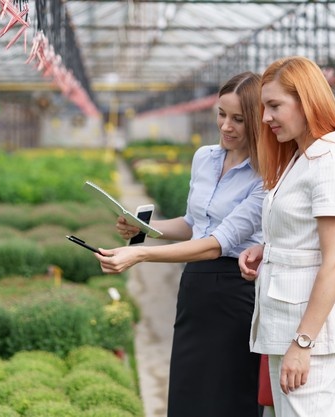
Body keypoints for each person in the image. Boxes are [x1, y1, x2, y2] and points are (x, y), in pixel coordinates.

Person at [95, 71, 265, 417]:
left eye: (239, 119)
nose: (226, 126)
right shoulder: (204, 158)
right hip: (195, 288)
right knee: (188, 393)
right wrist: (143, 228)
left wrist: (140, 254)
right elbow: (193, 225)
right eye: (221, 114)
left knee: (230, 396)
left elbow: (217, 243)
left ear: (259, 121)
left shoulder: (265, 176)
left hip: (237, 294)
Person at [238, 56, 335, 417]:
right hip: (286, 322)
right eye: (264, 107)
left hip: (310, 336)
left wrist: (303, 343)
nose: (265, 118)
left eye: (275, 105)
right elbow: (308, 237)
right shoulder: (301, 159)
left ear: (306, 100)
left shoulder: (331, 165)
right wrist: (269, 250)